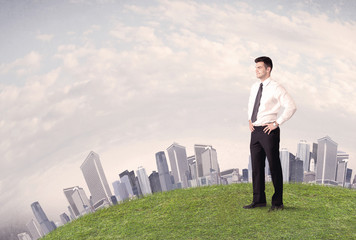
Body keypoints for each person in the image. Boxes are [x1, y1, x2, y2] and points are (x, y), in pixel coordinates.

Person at [244, 56, 296, 211]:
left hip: (268, 130)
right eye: (255, 67)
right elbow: (251, 104)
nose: (256, 70)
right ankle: (258, 200)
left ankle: (277, 202)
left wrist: (276, 123)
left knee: (274, 166)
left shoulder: (276, 87)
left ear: (268, 69)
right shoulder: (255, 87)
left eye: (259, 67)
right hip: (255, 130)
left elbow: (291, 106)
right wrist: (249, 120)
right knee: (256, 166)